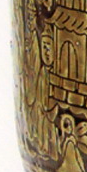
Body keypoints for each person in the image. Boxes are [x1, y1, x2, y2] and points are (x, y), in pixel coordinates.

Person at [34, 24, 59, 161]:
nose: (47, 53)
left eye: (49, 49)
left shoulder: (55, 73)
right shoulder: (42, 72)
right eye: (44, 48)